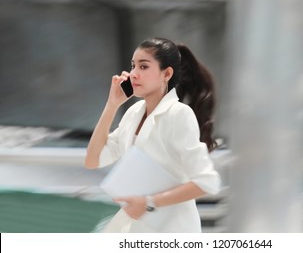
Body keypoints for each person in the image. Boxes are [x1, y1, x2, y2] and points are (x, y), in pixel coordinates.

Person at [84, 37, 221, 233]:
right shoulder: (133, 113)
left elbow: (207, 182)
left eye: (143, 67)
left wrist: (149, 202)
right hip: (137, 228)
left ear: (166, 73)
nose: (133, 74)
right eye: (133, 66)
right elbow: (92, 160)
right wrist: (112, 105)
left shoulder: (178, 114)